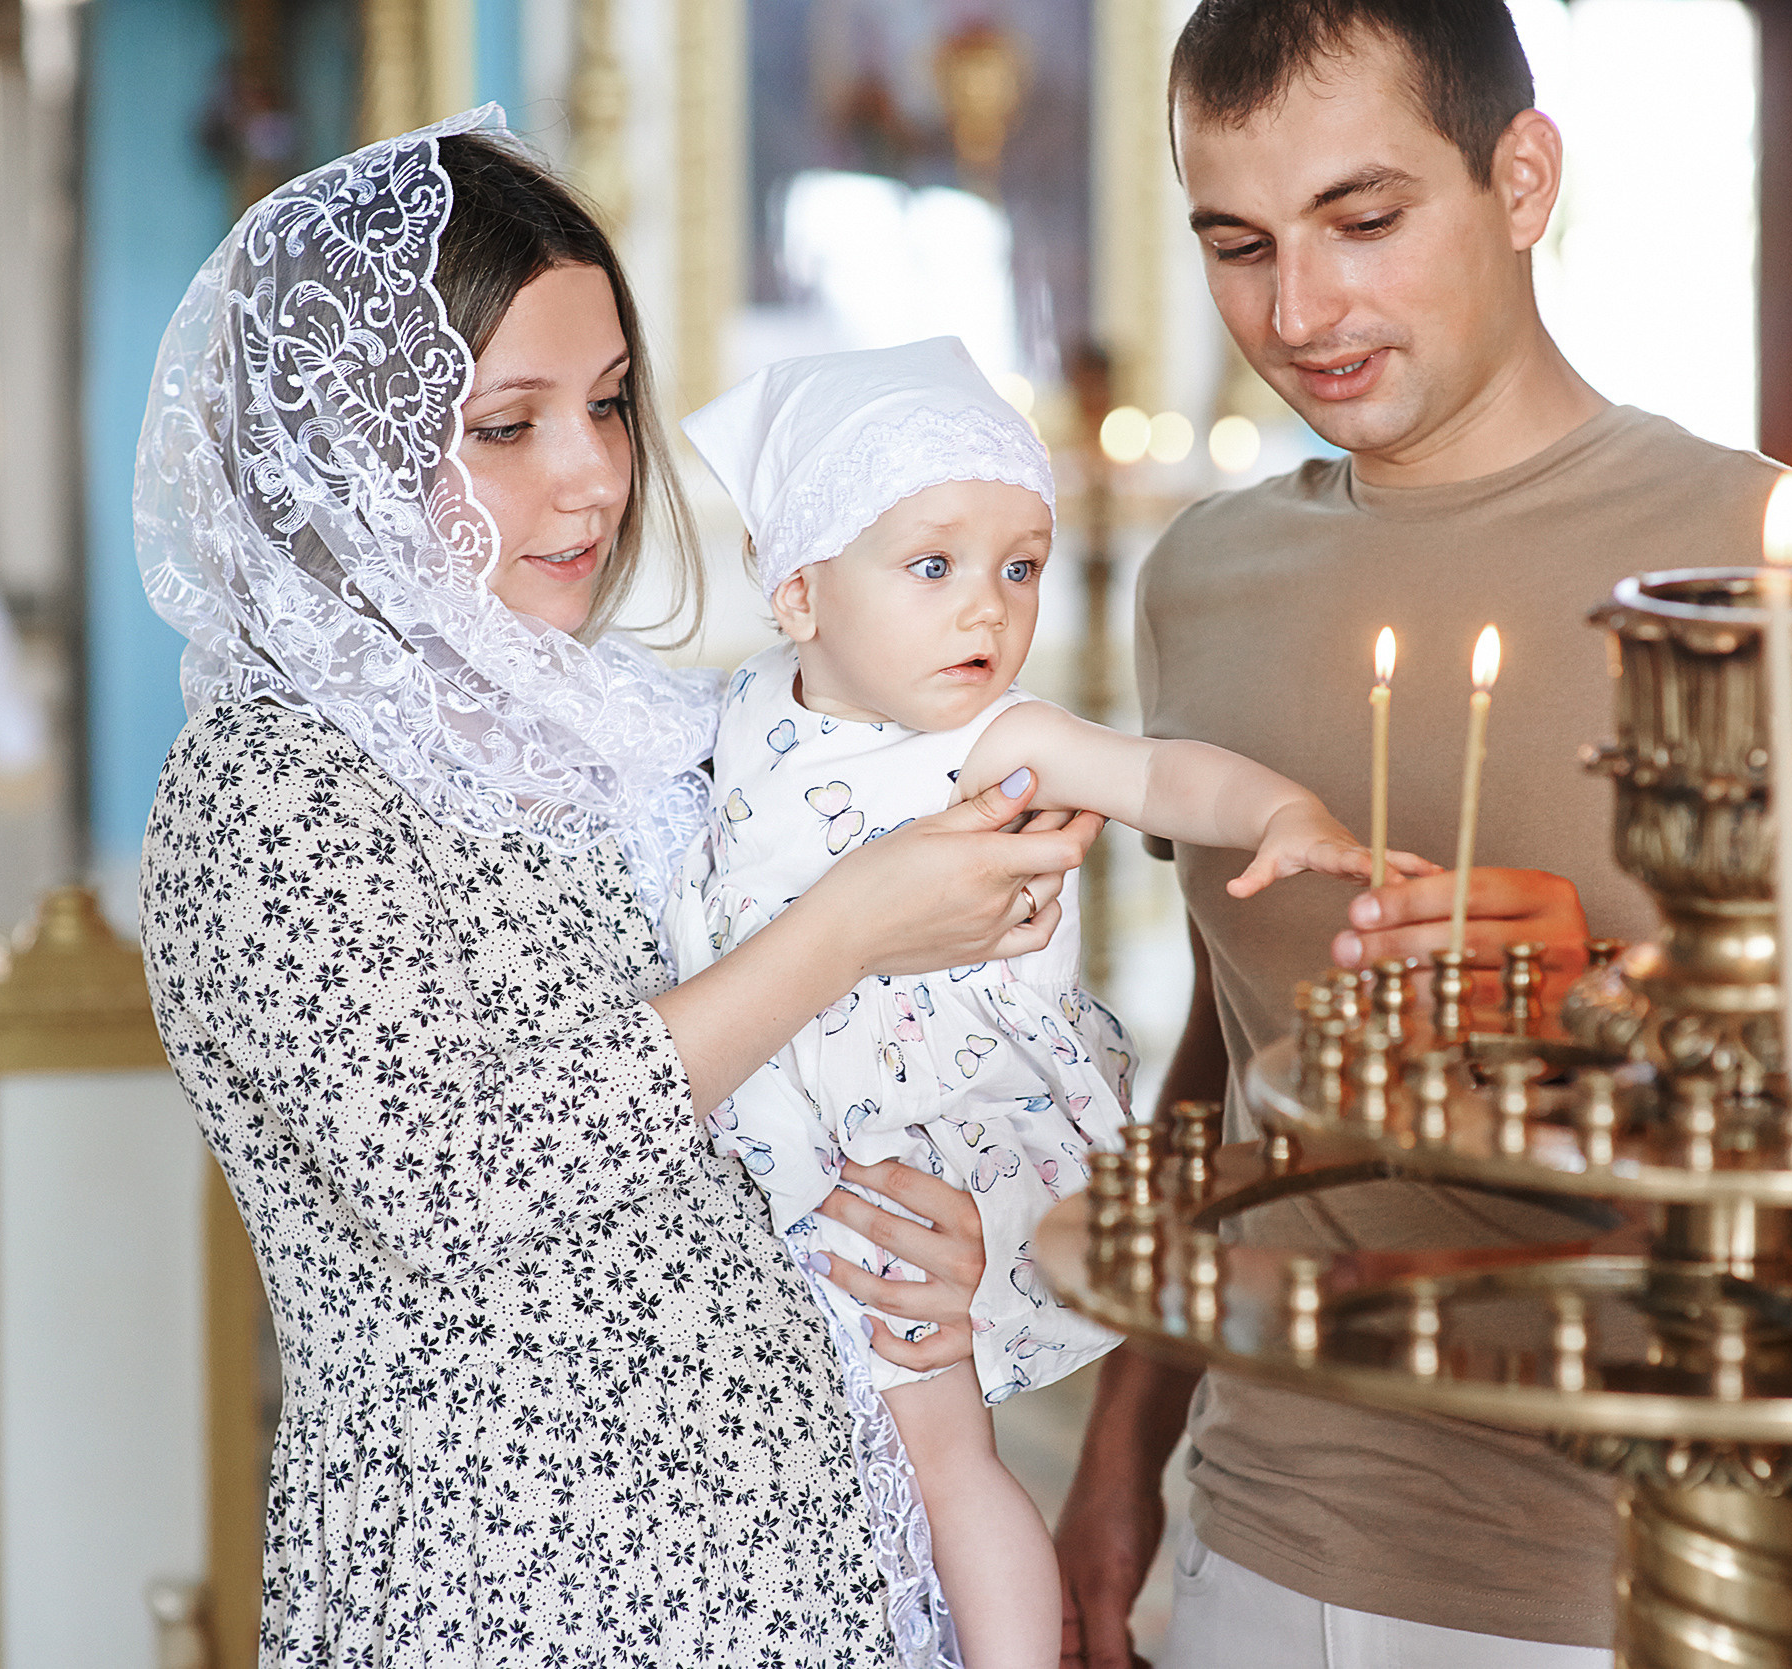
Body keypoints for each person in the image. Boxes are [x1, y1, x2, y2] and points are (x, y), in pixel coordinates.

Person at [1054, 6, 1792, 1668]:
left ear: (1523, 176)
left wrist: (1608, 991)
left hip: (1670, 1559)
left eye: (1366, 220)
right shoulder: (1198, 581)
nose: (1301, 310)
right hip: (1268, 1539)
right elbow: (1235, 1050)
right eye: (1239, 243)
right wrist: (1125, 1449)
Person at [133, 109, 1105, 1666]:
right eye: (507, 426)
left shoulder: (647, 733)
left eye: (608, 404)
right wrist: (845, 923)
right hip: (515, 1584)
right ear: (353, 444)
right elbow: (452, 1173)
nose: (591, 477)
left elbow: (917, 1056)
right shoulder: (267, 784)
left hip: (816, 1565)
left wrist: (957, 1220)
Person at [670, 337, 1419, 1669]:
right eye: (936, 565)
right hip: (754, 1160)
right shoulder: (722, 727)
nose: (988, 610)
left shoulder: (993, 738)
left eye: (1020, 565)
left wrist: (1278, 811)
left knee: (947, 1452)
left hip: (913, 1156)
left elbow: (1160, 774)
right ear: (797, 590)